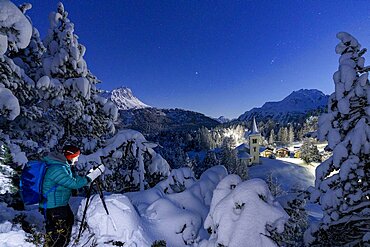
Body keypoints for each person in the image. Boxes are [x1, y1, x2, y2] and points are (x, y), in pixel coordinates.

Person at [40, 144, 104, 247]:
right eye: (76, 157)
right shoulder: (57, 168)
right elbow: (75, 184)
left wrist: (88, 176)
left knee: (67, 222)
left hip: (60, 204)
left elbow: (75, 179)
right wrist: (92, 176)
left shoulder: (63, 166)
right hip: (54, 206)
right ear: (69, 156)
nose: (77, 159)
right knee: (58, 235)